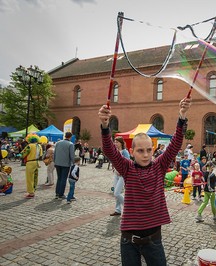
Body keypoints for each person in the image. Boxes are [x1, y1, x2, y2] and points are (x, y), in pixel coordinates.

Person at [98, 96, 191, 266]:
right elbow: (109, 150)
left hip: (154, 240)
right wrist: (105, 126)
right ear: (132, 151)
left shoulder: (159, 166)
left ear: (153, 150)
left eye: (149, 150)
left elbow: (175, 144)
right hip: (129, 241)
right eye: (140, 150)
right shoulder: (127, 167)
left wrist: (182, 115)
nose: (146, 154)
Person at [110, 137, 131, 216]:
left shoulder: (125, 152)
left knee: (117, 193)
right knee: (116, 192)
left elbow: (128, 163)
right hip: (116, 174)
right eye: (115, 142)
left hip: (122, 175)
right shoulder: (116, 151)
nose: (115, 144)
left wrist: (122, 171)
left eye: (117, 142)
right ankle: (118, 210)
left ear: (121, 143)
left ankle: (128, 208)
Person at [21, 134, 43, 199]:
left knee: (29, 178)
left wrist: (19, 155)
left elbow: (23, 154)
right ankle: (33, 190)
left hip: (30, 163)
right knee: (35, 177)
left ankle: (31, 193)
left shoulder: (29, 146)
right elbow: (41, 154)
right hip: (37, 162)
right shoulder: (39, 146)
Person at [54, 132, 75, 200]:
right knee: (63, 179)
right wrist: (73, 162)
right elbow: (72, 155)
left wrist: (55, 161)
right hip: (65, 164)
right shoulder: (70, 144)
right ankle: (61, 194)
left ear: (65, 136)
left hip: (57, 163)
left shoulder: (58, 143)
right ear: (70, 137)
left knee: (59, 178)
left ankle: (57, 193)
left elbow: (55, 153)